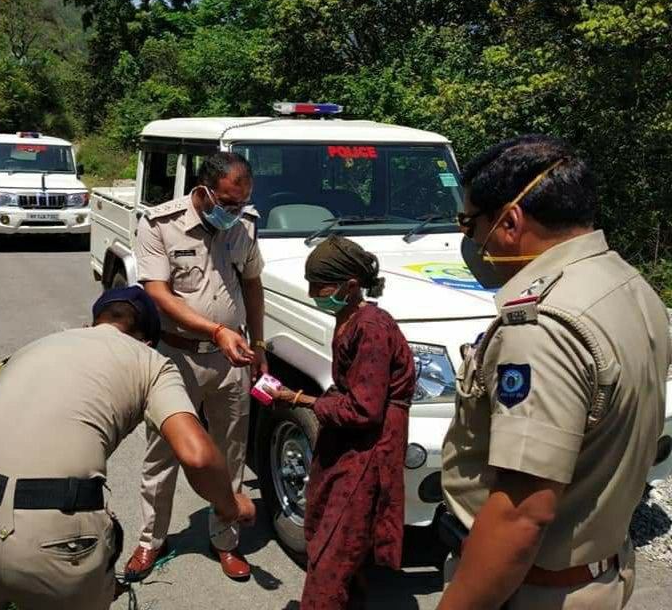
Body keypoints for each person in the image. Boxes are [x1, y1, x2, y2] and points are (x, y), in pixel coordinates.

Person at [0, 286, 256, 610]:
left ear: (91, 323)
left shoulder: (30, 348)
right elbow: (197, 454)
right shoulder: (151, 362)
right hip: (57, 533)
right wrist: (229, 504)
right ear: (148, 340)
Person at [440, 135, 670, 610]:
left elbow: (522, 514)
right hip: (599, 567)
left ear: (509, 221)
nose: (467, 238)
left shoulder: (541, 326)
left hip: (535, 588)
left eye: (469, 223)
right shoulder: (628, 284)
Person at [125, 152, 267, 582]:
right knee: (162, 452)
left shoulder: (244, 225)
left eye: (240, 204)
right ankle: (152, 539)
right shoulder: (160, 224)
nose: (233, 212)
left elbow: (252, 282)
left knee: (230, 453)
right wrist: (214, 329)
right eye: (226, 203)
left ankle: (225, 539)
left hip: (231, 358)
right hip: (176, 357)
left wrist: (257, 343)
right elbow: (157, 293)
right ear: (202, 192)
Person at [266, 234, 415, 609]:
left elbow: (365, 410)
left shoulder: (371, 327)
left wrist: (301, 399)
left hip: (369, 449)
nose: (314, 292)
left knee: (336, 546)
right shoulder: (347, 319)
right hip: (350, 442)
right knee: (339, 534)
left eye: (321, 286)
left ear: (350, 287)